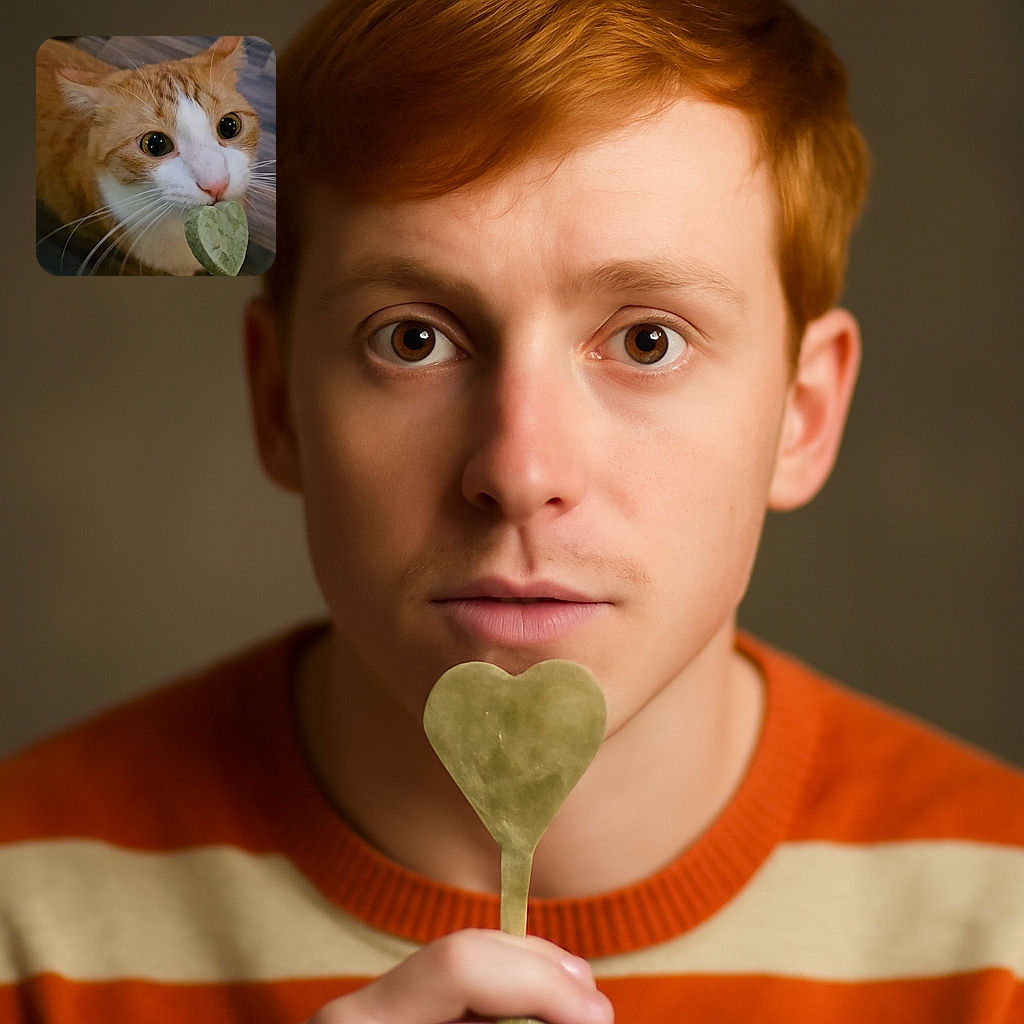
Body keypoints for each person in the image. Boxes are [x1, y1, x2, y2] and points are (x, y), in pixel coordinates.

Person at [2, 1, 1023, 1021]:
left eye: (647, 341)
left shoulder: (1000, 923)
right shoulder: (23, 913)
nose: (519, 468)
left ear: (801, 417)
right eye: (409, 339)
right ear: (280, 406)